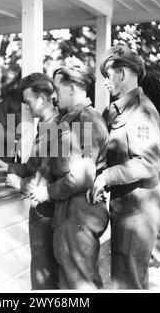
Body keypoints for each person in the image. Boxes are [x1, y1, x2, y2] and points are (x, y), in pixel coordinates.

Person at [30, 57, 109, 289]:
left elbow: (81, 176)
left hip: (78, 218)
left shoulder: (85, 121)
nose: (54, 96)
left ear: (72, 88)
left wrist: (48, 192)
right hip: (70, 216)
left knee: (79, 286)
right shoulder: (72, 120)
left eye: (58, 89)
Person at [91, 44, 160, 289]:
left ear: (122, 73)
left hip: (139, 209)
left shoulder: (142, 110)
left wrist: (106, 177)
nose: (104, 82)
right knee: (126, 276)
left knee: (127, 281)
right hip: (127, 206)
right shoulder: (118, 110)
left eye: (107, 74)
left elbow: (150, 161)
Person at [0, 73, 60, 290]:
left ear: (41, 99)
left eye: (28, 102)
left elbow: (42, 176)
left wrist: (18, 183)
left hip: (45, 210)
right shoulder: (48, 125)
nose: (26, 108)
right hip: (48, 209)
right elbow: (33, 164)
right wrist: (10, 167)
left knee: (43, 276)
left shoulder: (53, 127)